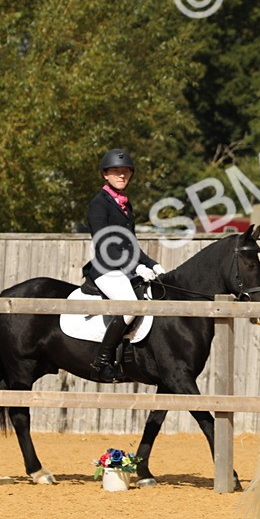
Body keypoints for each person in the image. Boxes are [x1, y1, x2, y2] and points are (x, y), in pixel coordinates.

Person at [81, 149, 164, 382]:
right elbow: (104, 244)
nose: (121, 175)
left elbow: (131, 245)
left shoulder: (125, 205)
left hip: (123, 268)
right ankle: (101, 363)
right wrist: (135, 267)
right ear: (105, 174)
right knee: (130, 307)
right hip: (105, 269)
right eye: (116, 171)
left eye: (126, 171)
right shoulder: (99, 204)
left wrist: (153, 265)